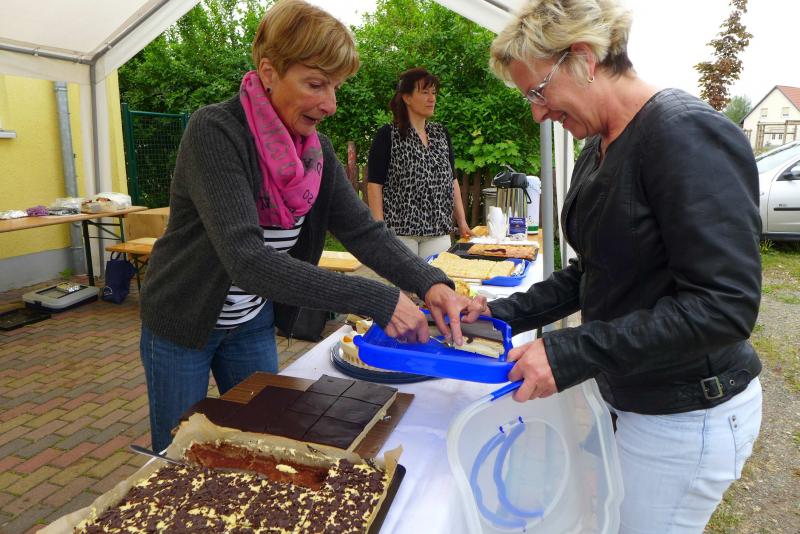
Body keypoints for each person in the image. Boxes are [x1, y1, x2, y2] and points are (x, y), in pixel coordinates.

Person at [463, 0, 763, 531]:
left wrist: (573, 350)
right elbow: (596, 271)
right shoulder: (600, 142)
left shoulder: (685, 134)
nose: (537, 113)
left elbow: (725, 307)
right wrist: (499, 312)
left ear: (583, 58)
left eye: (538, 92)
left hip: (686, 414)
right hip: (632, 397)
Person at [138, 0, 468, 453]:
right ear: (269, 72)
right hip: (181, 321)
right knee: (178, 453)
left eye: (335, 87)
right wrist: (380, 299)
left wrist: (430, 283)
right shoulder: (215, 131)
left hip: (250, 321)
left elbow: (363, 231)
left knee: (265, 439)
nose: (330, 104)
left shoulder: (316, 152)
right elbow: (247, 261)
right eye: (316, 84)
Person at [366, 68, 472, 258]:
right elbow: (375, 185)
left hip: (438, 231)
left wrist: (462, 221)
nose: (432, 99)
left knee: (438, 277)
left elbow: (452, 180)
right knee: (405, 280)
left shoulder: (441, 134)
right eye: (425, 92)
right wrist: (380, 229)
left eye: (434, 93)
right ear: (407, 97)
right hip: (399, 233)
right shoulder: (388, 135)